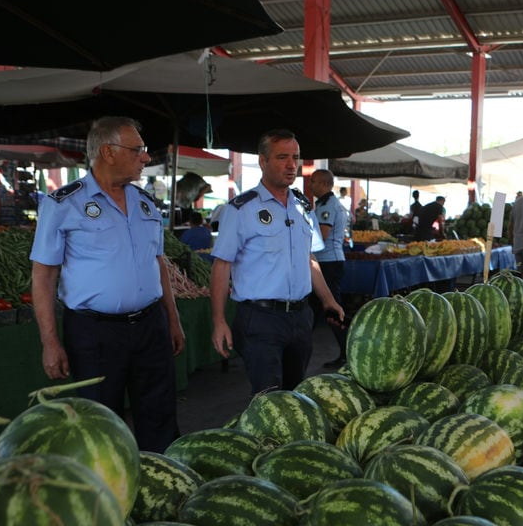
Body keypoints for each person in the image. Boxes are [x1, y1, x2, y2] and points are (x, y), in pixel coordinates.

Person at [29, 116, 184, 452]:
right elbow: (43, 276)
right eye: (138, 150)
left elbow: (158, 264)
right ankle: (108, 496)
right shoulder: (63, 204)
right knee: (101, 421)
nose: (145, 157)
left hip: (150, 326)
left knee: (159, 415)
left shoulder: (145, 203)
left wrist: (172, 319)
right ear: (108, 152)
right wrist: (50, 341)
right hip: (95, 332)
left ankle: (162, 487)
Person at [209, 129, 344, 394]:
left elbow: (310, 259)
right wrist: (219, 320)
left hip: (300, 317)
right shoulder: (240, 209)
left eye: (295, 157)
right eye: (282, 157)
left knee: (294, 396)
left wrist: (328, 300)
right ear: (263, 161)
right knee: (268, 398)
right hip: (260, 319)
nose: (292, 164)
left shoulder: (303, 207)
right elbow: (221, 265)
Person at [309, 168, 349, 368]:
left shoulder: (329, 206)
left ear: (324, 184)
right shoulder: (326, 204)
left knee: (332, 308)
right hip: (326, 261)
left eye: (314, 181)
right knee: (314, 308)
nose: (311, 185)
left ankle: (347, 352)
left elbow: (321, 236)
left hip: (328, 263)